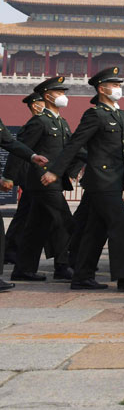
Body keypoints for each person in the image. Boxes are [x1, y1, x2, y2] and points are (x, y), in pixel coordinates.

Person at [44, 67, 124, 291]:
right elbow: (74, 144)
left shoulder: (120, 115)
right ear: (101, 89)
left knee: (96, 230)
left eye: (118, 85)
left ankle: (82, 276)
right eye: (114, 85)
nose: (118, 88)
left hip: (113, 180)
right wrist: (55, 171)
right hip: (101, 180)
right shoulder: (95, 115)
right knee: (121, 225)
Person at [6, 87, 69, 284]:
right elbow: (20, 149)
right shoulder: (39, 121)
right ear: (47, 96)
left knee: (36, 227)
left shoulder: (61, 122)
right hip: (41, 180)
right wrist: (9, 176)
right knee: (63, 221)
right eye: (58, 92)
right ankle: (63, 265)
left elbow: (71, 148)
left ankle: (23, 269)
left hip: (53, 180)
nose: (62, 96)